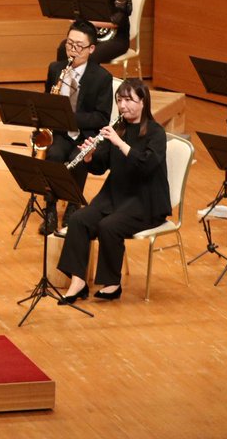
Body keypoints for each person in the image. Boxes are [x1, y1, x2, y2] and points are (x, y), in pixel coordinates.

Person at [57, 78, 169, 304]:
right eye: (120, 100)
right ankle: (78, 282)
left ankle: (112, 284)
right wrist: (89, 157)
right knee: (79, 219)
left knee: (108, 225)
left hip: (144, 201)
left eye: (129, 100)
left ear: (143, 101)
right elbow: (101, 167)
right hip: (114, 195)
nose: (123, 105)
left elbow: (146, 166)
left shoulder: (156, 133)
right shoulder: (118, 128)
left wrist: (120, 143)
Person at [39, 20, 114, 235]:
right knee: (53, 154)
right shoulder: (55, 69)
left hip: (85, 133)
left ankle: (74, 206)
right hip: (60, 132)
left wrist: (70, 117)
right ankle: (50, 208)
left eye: (79, 46)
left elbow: (102, 117)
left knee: (80, 155)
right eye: (69, 44)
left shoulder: (102, 77)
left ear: (91, 49)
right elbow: (47, 100)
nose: (73, 50)